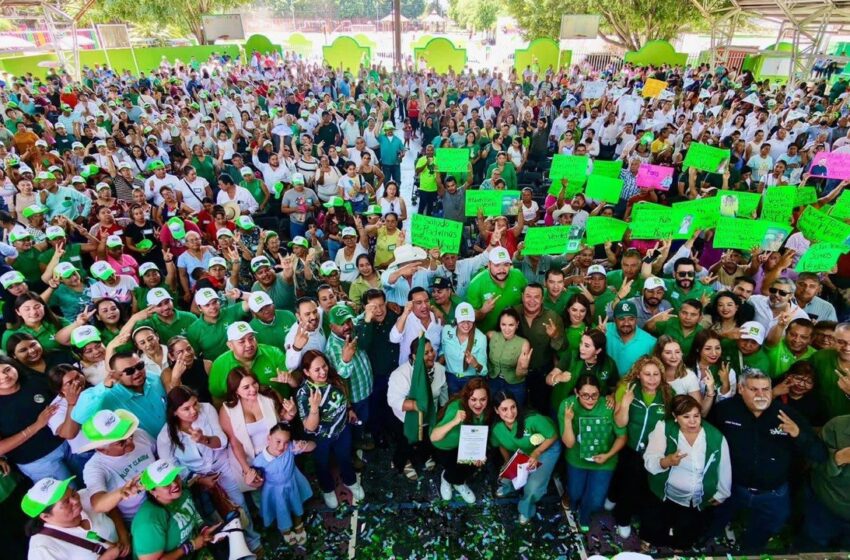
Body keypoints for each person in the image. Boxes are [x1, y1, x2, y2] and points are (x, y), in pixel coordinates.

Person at [711, 369, 827, 552]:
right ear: (741, 389)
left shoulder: (786, 414)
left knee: (761, 535)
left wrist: (797, 434)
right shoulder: (725, 410)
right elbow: (706, 441)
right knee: (714, 523)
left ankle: (749, 551)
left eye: (765, 389)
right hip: (732, 489)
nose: (761, 395)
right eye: (754, 389)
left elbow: (819, 453)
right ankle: (710, 544)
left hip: (773, 495)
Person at [642, 394, 732, 550]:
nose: (693, 421)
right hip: (665, 492)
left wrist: (722, 493)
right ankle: (652, 540)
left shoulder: (715, 437)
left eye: (696, 416)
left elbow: (724, 467)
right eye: (686, 416)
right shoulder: (664, 428)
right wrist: (668, 461)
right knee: (657, 521)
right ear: (675, 417)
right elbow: (650, 460)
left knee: (687, 528)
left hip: (696, 497)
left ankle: (679, 548)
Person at [609, 356, 671, 539]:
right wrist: (626, 404)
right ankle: (622, 518)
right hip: (629, 447)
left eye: (656, 374)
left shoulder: (668, 393)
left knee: (643, 486)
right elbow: (619, 422)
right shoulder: (626, 389)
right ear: (638, 375)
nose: (652, 379)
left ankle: (627, 506)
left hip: (653, 451)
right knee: (626, 481)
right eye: (647, 374)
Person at [295, 350, 363, 508]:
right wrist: (314, 408)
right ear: (306, 372)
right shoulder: (304, 394)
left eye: (324, 366)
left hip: (342, 429)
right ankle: (327, 489)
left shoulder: (333, 378)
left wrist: (349, 409)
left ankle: (350, 481)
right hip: (321, 437)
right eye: (316, 370)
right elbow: (310, 427)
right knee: (322, 464)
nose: (323, 371)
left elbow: (343, 392)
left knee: (345, 457)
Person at [559, 374, 627, 530]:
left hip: (604, 461)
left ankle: (585, 515)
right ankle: (575, 502)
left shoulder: (608, 406)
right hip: (576, 459)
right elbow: (569, 443)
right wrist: (568, 421)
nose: (590, 399)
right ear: (577, 393)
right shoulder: (567, 405)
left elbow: (622, 437)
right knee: (575, 494)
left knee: (596, 502)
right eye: (585, 395)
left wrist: (608, 455)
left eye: (594, 395)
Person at [491, 391, 561, 524]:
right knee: (507, 472)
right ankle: (508, 487)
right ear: (496, 410)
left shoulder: (532, 419)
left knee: (533, 486)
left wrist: (537, 453)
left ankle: (526, 510)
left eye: (513, 407)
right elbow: (501, 444)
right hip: (524, 449)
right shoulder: (497, 428)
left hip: (546, 448)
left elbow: (552, 436)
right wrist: (507, 462)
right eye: (504, 409)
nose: (510, 413)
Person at [130, 459, 222, 560]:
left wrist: (203, 529)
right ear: (153, 491)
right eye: (166, 483)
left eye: (175, 477)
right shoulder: (148, 521)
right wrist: (191, 546)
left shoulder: (182, 491)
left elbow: (193, 514)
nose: (175, 484)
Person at [23, 476, 129, 560]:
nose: (76, 501)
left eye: (73, 494)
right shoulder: (42, 549)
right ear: (45, 516)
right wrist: (107, 558)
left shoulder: (85, 496)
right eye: (66, 502)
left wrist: (123, 535)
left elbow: (111, 509)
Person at [218, 368, 287, 493]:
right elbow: (235, 442)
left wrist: (289, 415)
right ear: (236, 391)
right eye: (246, 387)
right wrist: (247, 469)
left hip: (276, 454)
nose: (253, 389)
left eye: (254, 383)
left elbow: (282, 423)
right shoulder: (227, 410)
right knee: (262, 496)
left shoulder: (269, 396)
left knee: (284, 489)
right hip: (251, 460)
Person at [387, 338, 447, 481]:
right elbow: (393, 400)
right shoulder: (400, 374)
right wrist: (415, 405)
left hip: (428, 417)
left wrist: (442, 412)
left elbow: (443, 390)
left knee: (426, 440)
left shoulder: (439, 369)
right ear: (414, 356)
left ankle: (425, 456)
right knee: (405, 443)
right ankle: (403, 462)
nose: (431, 355)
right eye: (425, 353)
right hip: (406, 419)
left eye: (432, 350)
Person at [251, 422, 314, 546]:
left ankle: (298, 525)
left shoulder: (290, 447)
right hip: (275, 491)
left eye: (286, 442)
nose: (282, 446)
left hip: (292, 483)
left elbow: (313, 445)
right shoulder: (259, 460)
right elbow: (257, 480)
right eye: (278, 441)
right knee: (281, 510)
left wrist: (304, 445)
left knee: (296, 504)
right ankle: (285, 531)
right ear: (269, 439)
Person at [430, 377, 491, 504]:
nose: (478, 404)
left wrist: (479, 454)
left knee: (475, 462)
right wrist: (454, 422)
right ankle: (446, 478)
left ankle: (458, 483)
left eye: (483, 399)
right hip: (444, 447)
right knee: (457, 466)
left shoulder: (487, 411)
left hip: (464, 445)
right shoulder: (456, 408)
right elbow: (434, 437)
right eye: (473, 399)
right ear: (466, 397)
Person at [487, 307, 533, 406]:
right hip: (493, 381)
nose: (507, 329)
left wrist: (523, 368)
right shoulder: (491, 335)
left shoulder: (524, 343)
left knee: (515, 412)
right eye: (503, 324)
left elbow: (520, 374)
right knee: (492, 411)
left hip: (515, 384)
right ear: (499, 324)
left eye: (511, 325)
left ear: (517, 324)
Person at [440, 303, 488, 394]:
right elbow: (442, 349)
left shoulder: (481, 338)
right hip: (450, 377)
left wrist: (475, 364)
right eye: (462, 321)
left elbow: (484, 371)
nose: (466, 325)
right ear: (456, 320)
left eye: (469, 321)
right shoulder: (446, 331)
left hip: (469, 380)